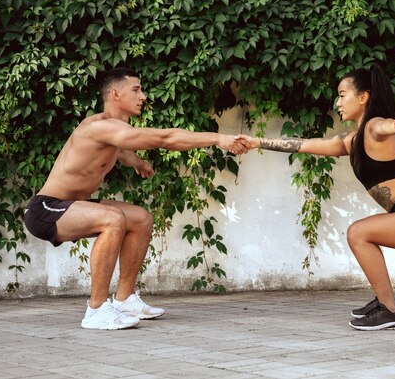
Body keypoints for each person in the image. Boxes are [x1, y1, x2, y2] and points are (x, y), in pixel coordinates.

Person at [23, 67, 250, 330]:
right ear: (116, 94)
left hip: (71, 206)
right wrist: (218, 138)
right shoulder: (100, 127)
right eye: (136, 90)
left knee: (140, 219)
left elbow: (118, 151)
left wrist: (139, 163)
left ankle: (124, 300)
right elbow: (165, 138)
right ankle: (96, 310)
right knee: (112, 219)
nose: (143, 96)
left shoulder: (113, 129)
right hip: (46, 210)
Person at [236, 64, 395, 330]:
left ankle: (390, 311)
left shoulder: (373, 127)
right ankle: (385, 302)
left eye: (342, 94)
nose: (338, 102)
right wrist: (257, 142)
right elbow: (304, 144)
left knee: (358, 233)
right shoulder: (351, 140)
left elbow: (382, 127)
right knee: (360, 233)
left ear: (363, 97)